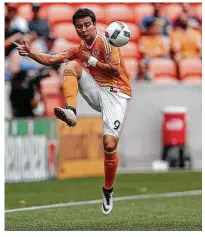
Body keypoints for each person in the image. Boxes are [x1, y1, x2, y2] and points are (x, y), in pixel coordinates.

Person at [13, 8, 132, 215]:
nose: (84, 29)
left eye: (87, 25)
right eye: (79, 27)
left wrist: (92, 60)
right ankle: (71, 111)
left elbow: (114, 70)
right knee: (70, 66)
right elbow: (52, 59)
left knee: (109, 144)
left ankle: (107, 190)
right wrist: (31, 53)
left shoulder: (107, 41)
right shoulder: (78, 49)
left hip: (117, 94)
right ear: (75, 29)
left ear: (94, 25)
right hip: (96, 90)